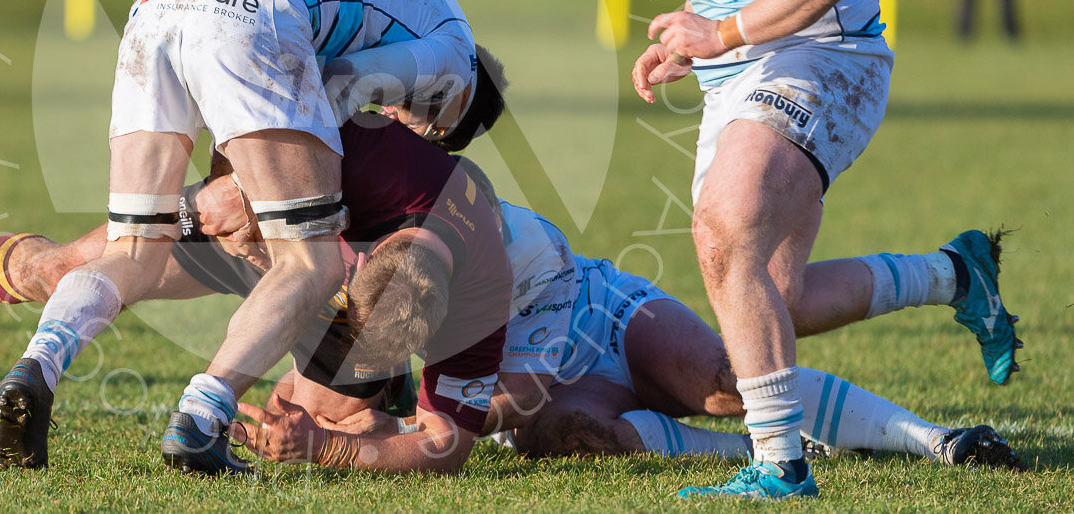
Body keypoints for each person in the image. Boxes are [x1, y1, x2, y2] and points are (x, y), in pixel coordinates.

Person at [622, 0, 1016, 499]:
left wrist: (720, 34)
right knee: (767, 304)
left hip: (827, 59)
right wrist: (698, 46)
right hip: (744, 73)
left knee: (723, 231)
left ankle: (780, 469)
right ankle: (955, 275)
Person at [0, 0, 485, 474]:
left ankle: (40, 361)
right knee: (309, 264)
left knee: (134, 248)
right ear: (456, 107)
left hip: (161, 0)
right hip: (255, 11)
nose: (403, 124)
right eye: (425, 127)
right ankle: (201, 419)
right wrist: (268, 195)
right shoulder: (456, 60)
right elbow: (339, 82)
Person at [0, 110, 514, 472]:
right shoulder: (385, 163)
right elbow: (267, 101)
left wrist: (324, 446)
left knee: (307, 424)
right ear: (380, 246)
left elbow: (447, 446)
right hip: (282, 230)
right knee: (62, 266)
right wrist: (230, 183)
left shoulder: (481, 292)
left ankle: (349, 405)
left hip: (323, 278)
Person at [240, 184, 1022, 476]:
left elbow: (479, 419)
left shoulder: (521, 252)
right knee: (572, 433)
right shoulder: (369, 266)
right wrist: (320, 418)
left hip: (604, 322)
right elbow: (311, 392)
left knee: (720, 382)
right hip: (554, 395)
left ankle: (940, 440)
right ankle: (779, 447)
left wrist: (347, 443)